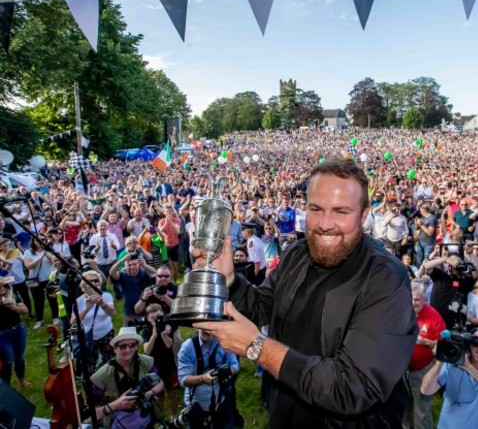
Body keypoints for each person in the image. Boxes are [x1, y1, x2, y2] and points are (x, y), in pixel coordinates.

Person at [194, 159, 418, 427]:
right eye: (316, 209)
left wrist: (259, 348)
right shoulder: (298, 253)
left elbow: (353, 388)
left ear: (364, 214)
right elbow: (260, 308)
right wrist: (230, 279)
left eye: (341, 212)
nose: (325, 224)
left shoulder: (386, 278)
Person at [420, 328, 478, 429]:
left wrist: (468, 367)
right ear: (469, 347)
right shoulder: (451, 366)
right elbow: (425, 390)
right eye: (476, 344)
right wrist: (440, 361)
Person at [91, 327, 164, 428]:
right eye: (123, 346)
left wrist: (150, 393)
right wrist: (117, 404)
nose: (128, 350)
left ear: (137, 346)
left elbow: (160, 382)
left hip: (146, 421)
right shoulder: (101, 377)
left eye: (132, 345)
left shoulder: (147, 362)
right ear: (115, 349)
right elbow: (91, 414)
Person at [177, 329, 239, 429]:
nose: (207, 330)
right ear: (197, 326)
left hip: (221, 402)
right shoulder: (187, 347)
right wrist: (202, 378)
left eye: (210, 325)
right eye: (203, 326)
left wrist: (221, 372)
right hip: (197, 406)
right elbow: (183, 380)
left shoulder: (224, 341)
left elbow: (235, 366)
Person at [403, 280, 444, 429]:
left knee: (421, 409)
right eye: (411, 299)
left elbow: (442, 345)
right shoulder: (402, 312)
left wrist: (424, 341)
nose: (414, 302)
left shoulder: (433, 316)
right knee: (404, 404)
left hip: (423, 369)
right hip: (402, 368)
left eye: (417, 299)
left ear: (424, 299)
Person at [70, 269, 115, 369]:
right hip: (89, 338)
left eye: (96, 280)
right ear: (83, 286)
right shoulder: (79, 302)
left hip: (106, 333)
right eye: (89, 281)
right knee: (90, 365)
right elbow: (73, 322)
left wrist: (102, 304)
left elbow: (111, 313)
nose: (94, 283)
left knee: (111, 362)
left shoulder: (106, 296)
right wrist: (87, 309)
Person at [141, 303, 179, 415]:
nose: (157, 320)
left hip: (169, 366)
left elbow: (168, 345)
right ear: (148, 319)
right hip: (155, 369)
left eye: (158, 317)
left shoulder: (167, 327)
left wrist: (163, 334)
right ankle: (161, 419)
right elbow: (147, 350)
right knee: (159, 396)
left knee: (172, 394)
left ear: (162, 314)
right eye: (153, 318)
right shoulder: (146, 331)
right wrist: (153, 336)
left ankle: (174, 416)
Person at [0, 277, 32, 389]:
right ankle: (6, 388)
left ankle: (22, 380)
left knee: (20, 358)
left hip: (18, 330)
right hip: (2, 334)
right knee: (8, 361)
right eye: (0, 286)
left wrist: (13, 307)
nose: (3, 288)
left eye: (5, 286)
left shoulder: (12, 296)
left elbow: (25, 311)